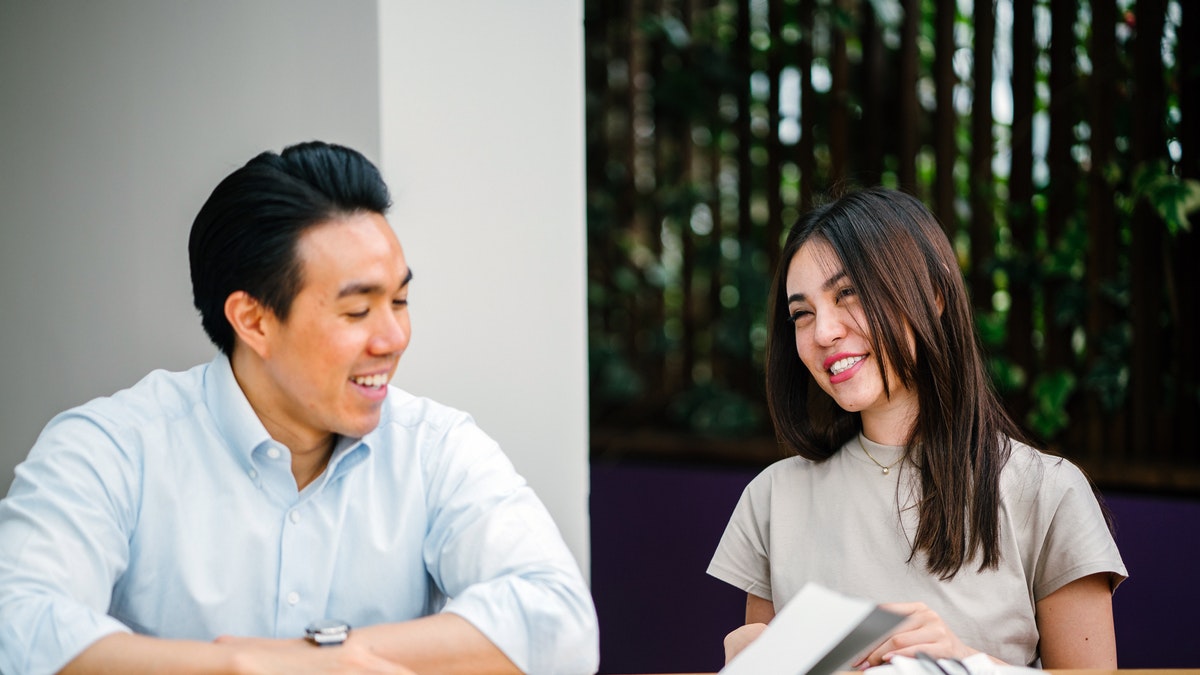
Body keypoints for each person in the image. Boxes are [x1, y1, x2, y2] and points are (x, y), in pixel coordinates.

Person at [0, 141, 599, 675]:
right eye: (357, 311)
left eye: (401, 300)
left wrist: (323, 658)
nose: (392, 338)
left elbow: (560, 622)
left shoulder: (435, 448)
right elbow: (18, 625)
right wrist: (239, 667)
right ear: (254, 320)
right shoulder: (110, 448)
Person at [707, 187, 1126, 668]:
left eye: (849, 294)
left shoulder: (1048, 493)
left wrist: (964, 661)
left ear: (935, 295)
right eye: (802, 313)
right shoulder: (772, 500)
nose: (823, 332)